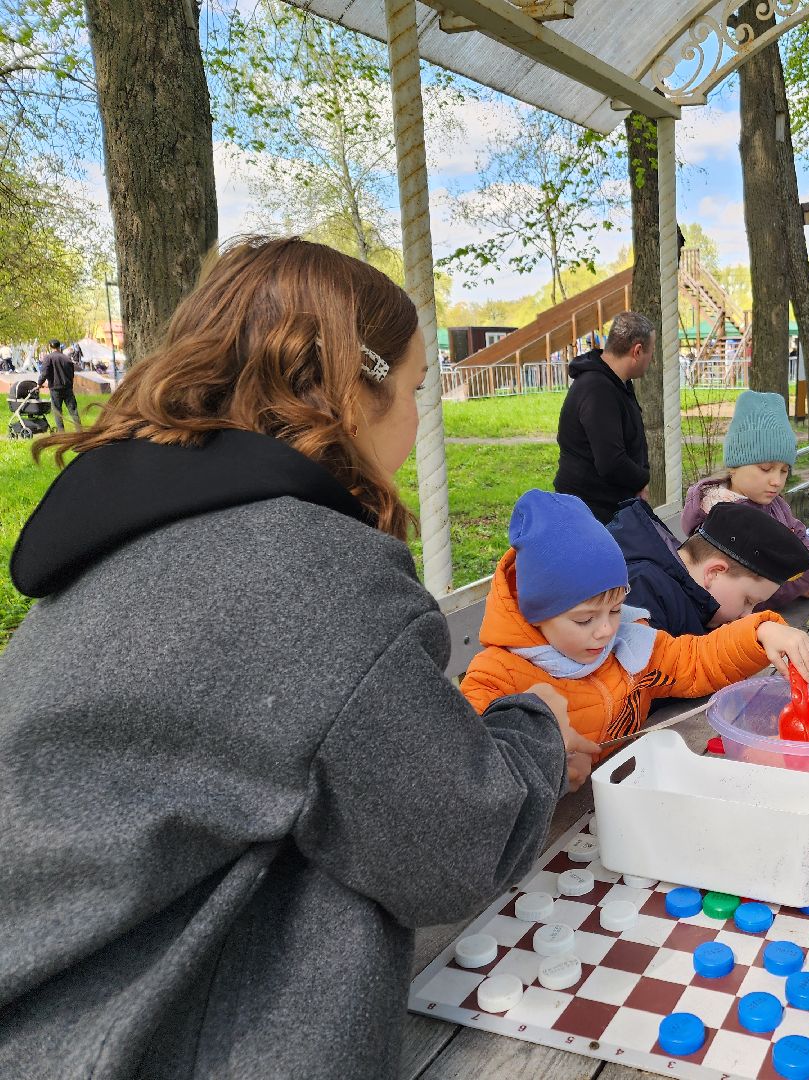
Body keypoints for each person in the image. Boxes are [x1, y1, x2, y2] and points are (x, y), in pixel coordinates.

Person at [0, 237, 577, 1078]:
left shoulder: (113, 542)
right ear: (354, 384)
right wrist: (537, 727)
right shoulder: (315, 571)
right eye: (415, 390)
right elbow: (456, 848)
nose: (417, 421)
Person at [460, 490, 809, 764]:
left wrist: (761, 631)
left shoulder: (633, 643)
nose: (604, 631)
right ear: (537, 613)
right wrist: (546, 767)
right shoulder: (497, 678)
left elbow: (696, 659)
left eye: (615, 610)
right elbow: (470, 771)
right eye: (585, 619)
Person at [682, 390, 809, 604]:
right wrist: (808, 577)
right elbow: (755, 595)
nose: (777, 481)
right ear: (733, 466)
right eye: (766, 468)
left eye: (784, 470)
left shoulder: (775, 504)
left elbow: (798, 538)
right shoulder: (724, 521)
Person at [606, 498, 809, 637]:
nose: (746, 614)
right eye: (747, 601)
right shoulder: (644, 591)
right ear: (714, 572)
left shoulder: (684, 590)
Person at [554, 310, 654, 523]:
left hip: (609, 507)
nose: (651, 359)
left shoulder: (618, 383)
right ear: (637, 351)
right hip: (591, 514)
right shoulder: (597, 389)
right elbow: (611, 462)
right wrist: (641, 481)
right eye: (651, 352)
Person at [36, 337, 81, 432]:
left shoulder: (48, 358)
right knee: (73, 410)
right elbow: (71, 374)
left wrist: (39, 384)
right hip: (68, 388)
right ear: (59, 346)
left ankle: (61, 432)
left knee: (57, 411)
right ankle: (79, 430)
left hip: (55, 388)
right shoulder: (67, 358)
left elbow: (44, 373)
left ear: (50, 347)